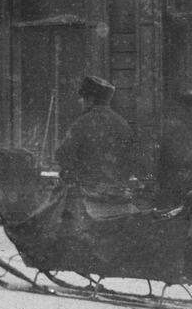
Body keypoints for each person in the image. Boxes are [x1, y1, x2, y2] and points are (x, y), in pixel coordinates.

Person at [55, 75, 136, 216]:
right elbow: (132, 161)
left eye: (83, 98)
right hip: (120, 199)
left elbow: (62, 156)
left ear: (90, 100)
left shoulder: (82, 123)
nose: (80, 102)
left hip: (89, 201)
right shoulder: (123, 124)